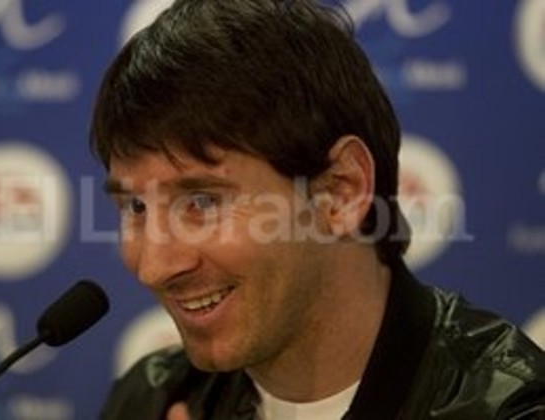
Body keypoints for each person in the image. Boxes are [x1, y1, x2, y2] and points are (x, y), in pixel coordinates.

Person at [90, 0, 545, 418]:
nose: (153, 267)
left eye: (203, 202)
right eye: (135, 206)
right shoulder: (151, 398)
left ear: (341, 191)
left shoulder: (509, 408)